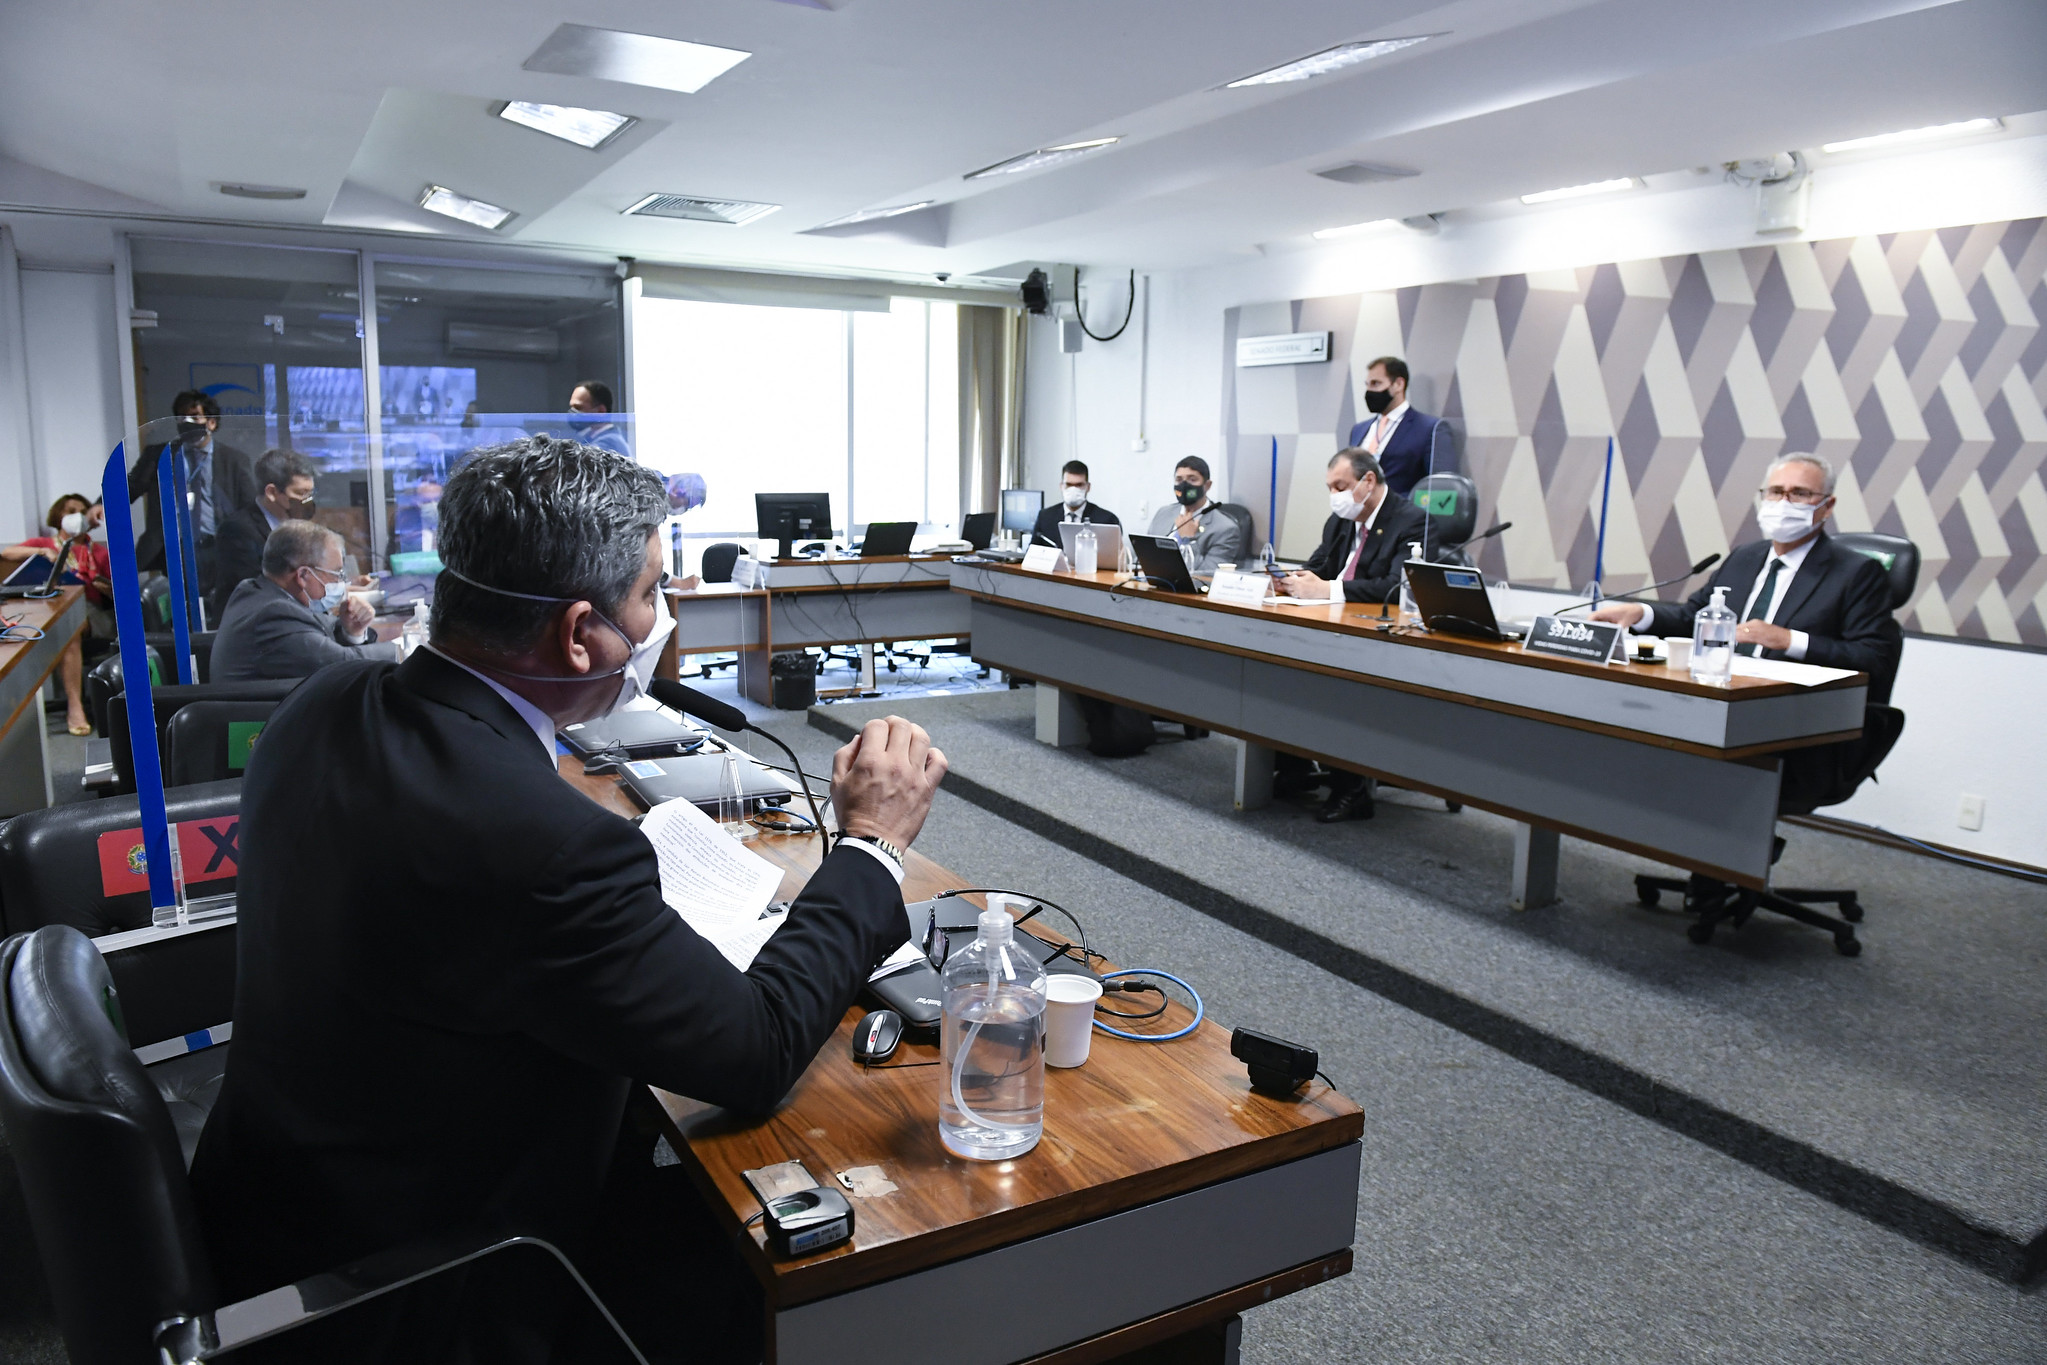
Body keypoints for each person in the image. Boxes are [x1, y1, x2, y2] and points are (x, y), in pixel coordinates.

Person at [188, 437, 946, 1363]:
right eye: (651, 592)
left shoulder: (329, 699)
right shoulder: (541, 844)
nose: (661, 614)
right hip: (439, 1282)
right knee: (830, 1270)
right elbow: (751, 1049)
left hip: (281, 1202)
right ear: (581, 631)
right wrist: (870, 844)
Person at [1591, 451, 1900, 695]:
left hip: (1789, 705)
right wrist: (1641, 613)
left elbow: (1873, 658)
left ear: (1828, 506)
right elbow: (1694, 620)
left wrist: (1788, 639)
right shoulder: (1745, 557)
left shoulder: (1857, 572)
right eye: (1776, 492)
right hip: (1718, 690)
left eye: (1800, 494)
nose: (1783, 503)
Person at [1277, 448, 1430, 822]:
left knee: (1340, 689)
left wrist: (1328, 590)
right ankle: (1295, 767)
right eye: (1330, 487)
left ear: (1368, 481)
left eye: (1340, 486)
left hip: (1379, 639)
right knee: (1279, 671)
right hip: (1331, 625)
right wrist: (1288, 579)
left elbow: (1398, 587)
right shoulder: (1340, 521)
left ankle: (1352, 789)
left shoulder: (1413, 521)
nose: (1335, 496)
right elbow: (1318, 567)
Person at [209, 521, 396, 682]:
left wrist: (352, 633)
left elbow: (327, 639)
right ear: (303, 575)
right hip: (262, 720)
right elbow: (341, 664)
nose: (341, 583)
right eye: (336, 574)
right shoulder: (273, 614)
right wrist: (403, 650)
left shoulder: (260, 592)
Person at [127, 389, 259, 605]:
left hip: (219, 547)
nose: (187, 422)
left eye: (195, 416)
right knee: (179, 611)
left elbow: (248, 508)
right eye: (181, 417)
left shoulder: (234, 460)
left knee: (221, 608)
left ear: (211, 423)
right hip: (173, 549)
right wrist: (102, 505)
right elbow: (129, 487)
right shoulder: (159, 455)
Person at [2, 493, 111, 735]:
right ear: (58, 515)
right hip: (55, 612)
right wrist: (42, 554)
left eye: (81, 511)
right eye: (70, 510)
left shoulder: (99, 553)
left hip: (93, 615)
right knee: (60, 627)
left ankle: (75, 706)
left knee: (68, 629)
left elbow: (119, 596)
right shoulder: (45, 545)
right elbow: (7, 553)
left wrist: (104, 588)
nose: (76, 516)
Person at [209, 448, 318, 622]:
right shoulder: (237, 530)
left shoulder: (294, 525)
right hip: (252, 625)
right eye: (300, 493)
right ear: (272, 493)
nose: (307, 501)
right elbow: (264, 587)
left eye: (310, 493)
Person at [1344, 357, 1454, 496]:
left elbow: (1441, 488)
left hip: (1400, 514)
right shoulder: (1359, 430)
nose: (1369, 391)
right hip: (1357, 512)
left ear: (1398, 384)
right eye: (1367, 385)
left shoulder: (1430, 428)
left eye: (1376, 384)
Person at [1144, 456, 1245, 575]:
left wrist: (1187, 540)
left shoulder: (1225, 529)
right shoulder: (1163, 513)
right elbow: (1144, 558)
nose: (1184, 485)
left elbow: (1206, 577)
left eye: (1192, 479)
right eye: (1179, 479)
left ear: (1207, 485)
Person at [1030, 459, 1120, 549]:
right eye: (1068, 484)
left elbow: (1116, 557)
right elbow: (1031, 554)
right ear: (1061, 486)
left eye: (1079, 485)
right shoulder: (1045, 517)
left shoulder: (1107, 520)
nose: (1073, 490)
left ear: (1088, 487)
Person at [568, 379, 632, 457]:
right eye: (572, 407)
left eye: (578, 407)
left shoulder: (607, 443)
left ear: (601, 411)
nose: (572, 412)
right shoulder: (592, 438)